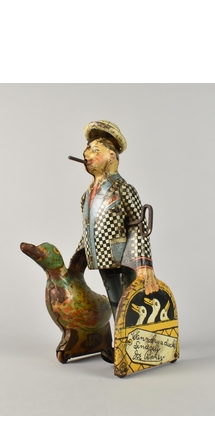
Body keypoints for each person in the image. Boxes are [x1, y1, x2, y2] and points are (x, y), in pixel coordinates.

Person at [71, 120, 159, 362]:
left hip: (125, 257)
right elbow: (88, 230)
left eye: (94, 151)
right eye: (86, 152)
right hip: (101, 257)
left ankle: (131, 344)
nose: (87, 156)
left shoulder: (124, 189)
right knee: (114, 301)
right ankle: (123, 343)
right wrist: (79, 258)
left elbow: (138, 226)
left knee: (129, 300)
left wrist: (144, 263)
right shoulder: (86, 196)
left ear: (111, 156)